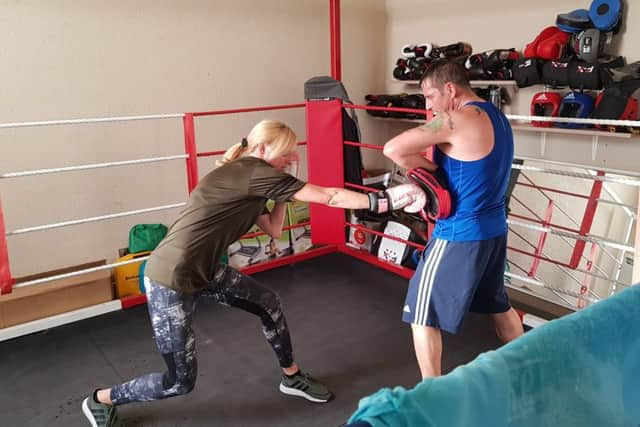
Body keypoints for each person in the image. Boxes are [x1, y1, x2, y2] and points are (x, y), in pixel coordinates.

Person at [82, 119, 426, 426]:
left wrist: (287, 185)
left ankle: (291, 376)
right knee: (179, 382)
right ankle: (100, 399)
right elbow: (331, 198)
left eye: (293, 155)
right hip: (169, 278)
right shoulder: (250, 172)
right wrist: (384, 200)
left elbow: (275, 230)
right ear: (262, 148)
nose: (289, 160)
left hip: (205, 270)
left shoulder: (258, 180)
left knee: (268, 303)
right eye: (285, 154)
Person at [383, 60, 524, 379]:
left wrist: (427, 171)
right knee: (498, 304)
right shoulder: (496, 115)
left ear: (450, 89)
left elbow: (394, 149)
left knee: (421, 314)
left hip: (460, 233)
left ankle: (433, 392)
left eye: (430, 97)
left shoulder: (454, 119)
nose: (428, 105)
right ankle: (528, 366)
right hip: (494, 229)